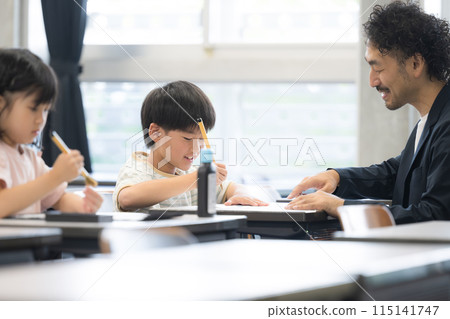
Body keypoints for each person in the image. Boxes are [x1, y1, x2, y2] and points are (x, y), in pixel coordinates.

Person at [286, 2, 450, 224]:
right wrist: (336, 177)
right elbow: (396, 174)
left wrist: (343, 208)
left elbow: (436, 215)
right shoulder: (432, 120)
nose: (372, 81)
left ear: (415, 63)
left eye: (378, 67)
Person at [113, 81, 268, 211]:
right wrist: (195, 180)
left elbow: (232, 188)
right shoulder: (137, 168)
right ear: (155, 133)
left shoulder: (191, 173)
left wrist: (238, 195)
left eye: (201, 139)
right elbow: (127, 199)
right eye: (188, 138)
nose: (196, 148)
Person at [0, 48, 103, 217]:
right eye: (33, 108)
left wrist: (84, 206)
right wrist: (55, 176)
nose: (41, 120)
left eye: (46, 110)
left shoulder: (31, 158)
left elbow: (58, 198)